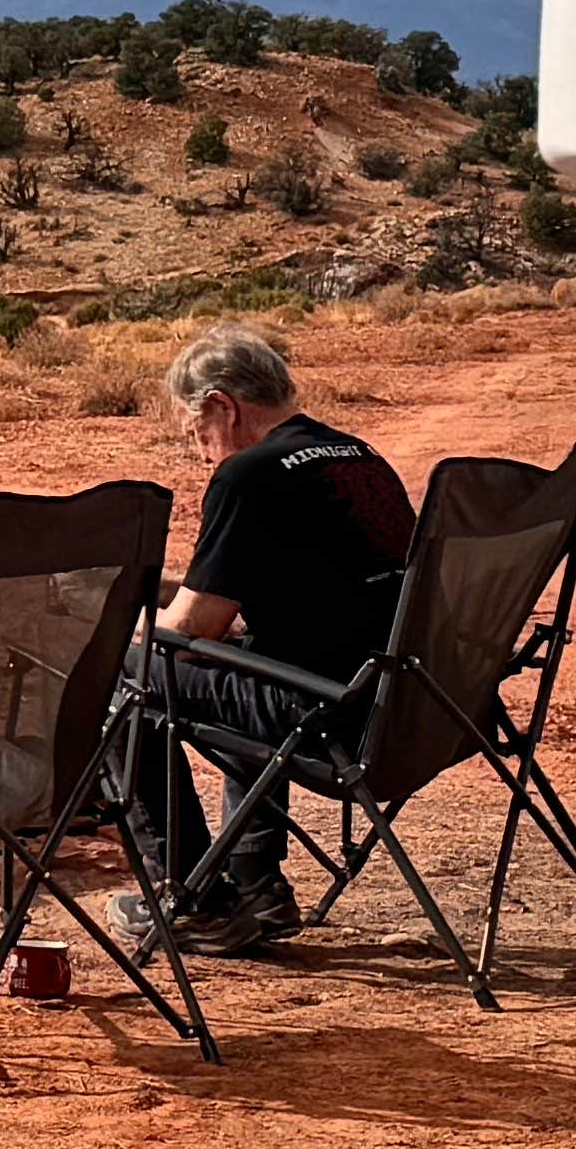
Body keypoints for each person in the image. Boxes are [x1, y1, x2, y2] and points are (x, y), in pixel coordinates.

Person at [126, 325, 413, 954]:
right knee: (246, 660)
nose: (202, 452)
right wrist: (157, 588)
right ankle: (255, 882)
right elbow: (287, 586)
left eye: (195, 432)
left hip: (328, 714)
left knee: (123, 671)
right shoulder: (356, 455)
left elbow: (192, 628)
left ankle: (192, 898)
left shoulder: (247, 477)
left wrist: (118, 621)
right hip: (412, 706)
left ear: (221, 406)